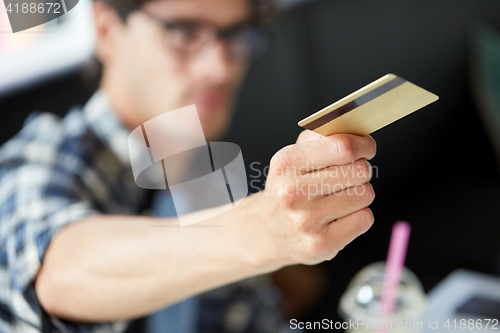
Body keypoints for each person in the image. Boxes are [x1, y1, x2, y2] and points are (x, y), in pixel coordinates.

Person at [0, 0, 377, 331]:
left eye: (236, 34)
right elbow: (57, 272)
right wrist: (263, 228)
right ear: (106, 29)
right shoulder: (40, 158)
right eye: (183, 32)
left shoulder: (205, 174)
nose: (220, 67)